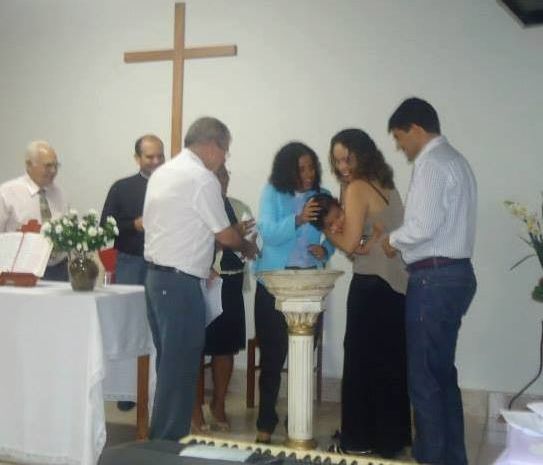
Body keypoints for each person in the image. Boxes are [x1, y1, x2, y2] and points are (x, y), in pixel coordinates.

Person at [143, 116, 258, 440]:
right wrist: (246, 244)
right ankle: (165, 447)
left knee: (170, 366)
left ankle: (162, 443)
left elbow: (173, 227)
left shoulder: (163, 172)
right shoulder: (201, 178)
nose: (224, 158)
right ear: (211, 145)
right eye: (225, 151)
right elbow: (225, 235)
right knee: (180, 367)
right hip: (179, 284)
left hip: (158, 278)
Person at [383, 97, 477, 465]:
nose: (400, 146)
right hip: (454, 277)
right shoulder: (457, 160)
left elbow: (422, 227)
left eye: (401, 137)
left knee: (423, 382)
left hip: (433, 281)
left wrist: (390, 240)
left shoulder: (431, 163)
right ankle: (453, 458)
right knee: (441, 377)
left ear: (417, 130)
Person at [321, 129, 411, 459]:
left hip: (371, 287)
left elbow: (348, 244)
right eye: (337, 160)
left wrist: (329, 232)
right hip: (397, 288)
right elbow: (364, 244)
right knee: (390, 364)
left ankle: (358, 439)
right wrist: (360, 242)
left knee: (361, 363)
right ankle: (392, 437)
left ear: (363, 154)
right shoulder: (386, 184)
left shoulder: (357, 188)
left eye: (348, 158)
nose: (343, 166)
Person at [252, 141, 334, 444]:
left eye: (312, 167)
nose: (309, 173)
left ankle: (296, 418)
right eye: (302, 168)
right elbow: (268, 234)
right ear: (288, 170)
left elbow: (336, 232)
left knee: (303, 355)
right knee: (272, 357)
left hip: (309, 284)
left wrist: (323, 249)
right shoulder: (274, 193)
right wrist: (298, 219)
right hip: (274, 283)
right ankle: (265, 420)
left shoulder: (322, 198)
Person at [100, 134, 165, 411]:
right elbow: (106, 226)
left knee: (157, 328)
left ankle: (156, 388)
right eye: (150, 156)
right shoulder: (122, 188)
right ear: (137, 158)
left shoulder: (172, 185)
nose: (156, 161)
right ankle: (126, 391)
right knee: (128, 326)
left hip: (162, 266)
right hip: (130, 263)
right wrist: (134, 225)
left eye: (160, 156)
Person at [192, 164, 254, 432]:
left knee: (225, 347)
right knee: (198, 348)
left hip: (232, 282)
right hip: (206, 282)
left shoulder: (239, 207)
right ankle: (195, 409)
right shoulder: (199, 208)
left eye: (225, 175)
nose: (222, 180)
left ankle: (218, 404)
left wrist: (246, 240)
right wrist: (231, 236)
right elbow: (194, 245)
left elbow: (251, 247)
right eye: (217, 175)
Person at [0, 140, 68, 280]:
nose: (53, 171)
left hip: (58, 270)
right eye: (48, 166)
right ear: (29, 165)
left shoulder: (59, 193)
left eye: (56, 166)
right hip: (21, 272)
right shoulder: (7, 193)